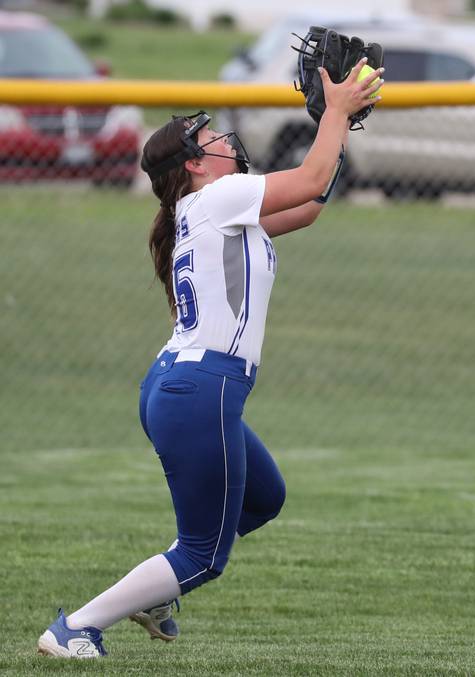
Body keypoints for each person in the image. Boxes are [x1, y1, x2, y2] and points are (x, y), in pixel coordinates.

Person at [37, 59, 384, 659]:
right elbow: (305, 183)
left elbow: (309, 205)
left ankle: (149, 591)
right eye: (210, 138)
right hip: (201, 387)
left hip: (179, 384)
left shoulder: (211, 208)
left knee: (264, 497)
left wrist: (335, 130)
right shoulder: (217, 198)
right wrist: (333, 114)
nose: (224, 140)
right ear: (194, 164)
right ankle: (75, 629)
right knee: (202, 556)